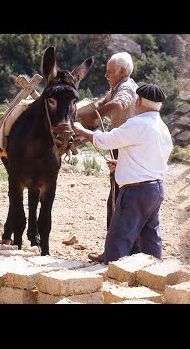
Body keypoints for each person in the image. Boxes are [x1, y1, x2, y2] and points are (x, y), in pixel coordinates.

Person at [73, 83, 173, 264]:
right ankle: (155, 275)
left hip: (135, 192)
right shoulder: (163, 128)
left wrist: (81, 130)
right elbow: (153, 158)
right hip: (155, 189)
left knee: (118, 239)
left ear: (140, 101)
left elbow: (105, 140)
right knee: (150, 237)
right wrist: (122, 163)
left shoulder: (137, 123)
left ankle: (112, 280)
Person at [78, 52, 139, 263]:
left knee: (117, 201)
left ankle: (114, 254)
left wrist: (95, 117)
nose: (106, 75)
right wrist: (83, 112)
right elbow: (103, 101)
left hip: (126, 151)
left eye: (110, 72)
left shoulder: (127, 88)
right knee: (119, 199)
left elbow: (118, 105)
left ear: (122, 72)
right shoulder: (116, 87)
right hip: (121, 149)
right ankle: (123, 252)